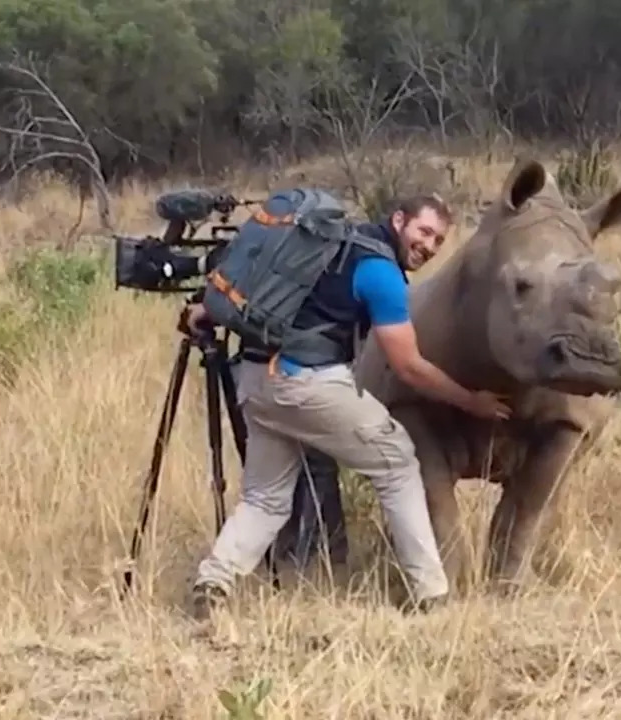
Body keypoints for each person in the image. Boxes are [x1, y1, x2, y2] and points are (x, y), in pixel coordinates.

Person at [182, 193, 511, 619]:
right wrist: (472, 402)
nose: (429, 246)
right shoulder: (380, 272)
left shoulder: (333, 244)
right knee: (397, 463)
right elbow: (408, 367)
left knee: (266, 499)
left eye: (438, 241)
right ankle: (432, 594)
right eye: (424, 232)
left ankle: (213, 583)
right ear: (398, 220)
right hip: (307, 382)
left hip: (256, 379)